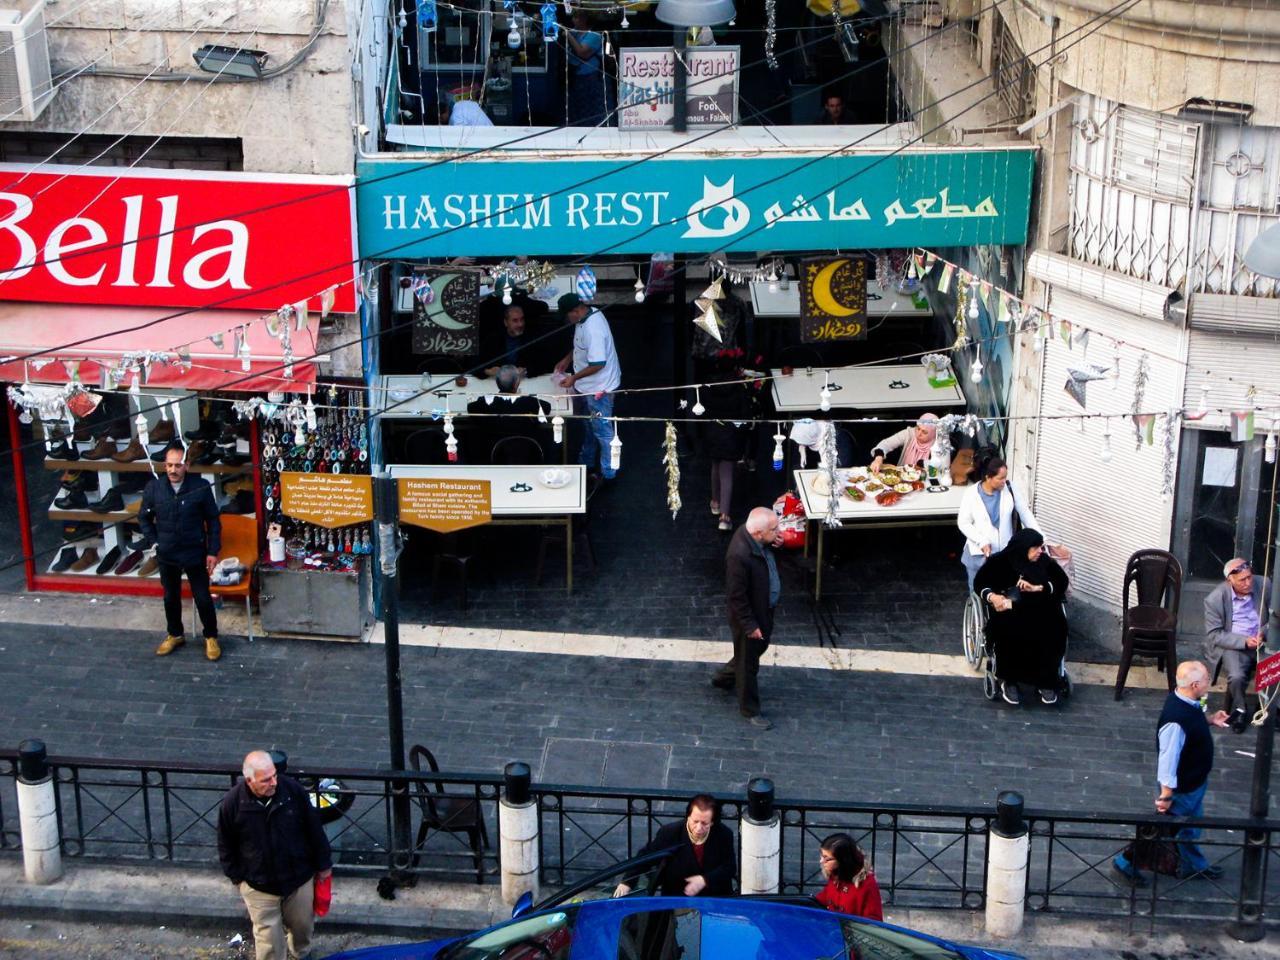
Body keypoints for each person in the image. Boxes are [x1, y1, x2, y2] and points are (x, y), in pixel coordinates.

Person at [1112, 661, 1230, 886]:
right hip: (1182, 790)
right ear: (1195, 684)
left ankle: (1194, 865)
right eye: (1206, 679)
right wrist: (1166, 794)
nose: (1209, 682)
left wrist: (1210, 720)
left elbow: (1192, 725)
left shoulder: (1186, 701)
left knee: (1189, 828)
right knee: (1160, 831)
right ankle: (1125, 862)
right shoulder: (1176, 719)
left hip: (1194, 783)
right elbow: (1168, 758)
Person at [217, 751, 333, 960]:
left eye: (274, 776)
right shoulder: (233, 803)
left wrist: (324, 866)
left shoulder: (293, 792)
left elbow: (314, 829)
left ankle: (301, 953)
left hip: (298, 879)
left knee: (302, 925)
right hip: (259, 884)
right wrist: (238, 878)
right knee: (268, 939)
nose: (273, 782)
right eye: (266, 779)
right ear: (250, 780)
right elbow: (226, 844)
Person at [139, 442, 222, 661]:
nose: (172, 470)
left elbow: (213, 520)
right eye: (168, 465)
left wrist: (212, 551)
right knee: (170, 597)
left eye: (177, 465)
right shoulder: (154, 488)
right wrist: (154, 541)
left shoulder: (201, 486)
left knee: (203, 597)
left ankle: (211, 636)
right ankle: (175, 634)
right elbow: (144, 518)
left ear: (187, 465)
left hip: (193, 551)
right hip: (167, 552)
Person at [973, 528, 1070, 706]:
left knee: (1054, 629)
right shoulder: (1000, 562)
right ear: (1023, 548)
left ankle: (1045, 681)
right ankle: (1009, 680)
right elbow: (980, 583)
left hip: (1041, 609)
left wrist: (1038, 588)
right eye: (1036, 548)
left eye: (1040, 547)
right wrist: (993, 597)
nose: (1040, 551)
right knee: (1010, 630)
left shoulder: (1044, 562)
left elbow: (1061, 582)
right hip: (1010, 610)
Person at [712, 507, 782, 730]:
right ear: (759, 533)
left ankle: (724, 677)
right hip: (750, 617)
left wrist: (775, 542)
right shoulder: (739, 555)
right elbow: (736, 597)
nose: (778, 531)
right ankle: (750, 709)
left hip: (762, 609)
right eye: (774, 529)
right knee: (748, 664)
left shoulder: (756, 539)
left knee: (751, 653)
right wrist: (750, 626)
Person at [554, 293, 621, 482]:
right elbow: (581, 347)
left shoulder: (593, 329)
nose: (567, 320)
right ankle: (587, 460)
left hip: (599, 388)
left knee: (602, 429)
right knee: (589, 425)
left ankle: (608, 472)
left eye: (567, 316)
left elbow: (598, 363)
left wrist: (573, 378)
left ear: (575, 311)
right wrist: (568, 359)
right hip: (587, 386)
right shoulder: (586, 315)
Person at [613, 795, 736, 898]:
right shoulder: (670, 833)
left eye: (705, 823)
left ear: (712, 822)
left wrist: (705, 880)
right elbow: (646, 856)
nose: (699, 828)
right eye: (695, 821)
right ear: (688, 817)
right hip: (678, 897)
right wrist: (627, 882)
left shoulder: (723, 834)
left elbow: (729, 867)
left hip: (713, 898)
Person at [956, 453, 1042, 592]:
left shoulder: (1010, 488)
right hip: (979, 555)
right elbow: (963, 523)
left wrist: (1041, 537)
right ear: (988, 478)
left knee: (1005, 588)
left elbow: (1025, 513)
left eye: (1005, 477)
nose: (1004, 481)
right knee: (979, 591)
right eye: (1000, 478)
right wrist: (981, 541)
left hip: (1004, 553)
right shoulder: (971, 494)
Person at [1204, 557, 1270, 733]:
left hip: (1262, 641)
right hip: (1235, 644)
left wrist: (1264, 631)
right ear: (1230, 580)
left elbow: (1275, 615)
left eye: (1249, 577)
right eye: (1242, 580)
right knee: (1237, 676)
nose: (1248, 583)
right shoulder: (1215, 599)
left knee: (1274, 667)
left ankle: (1265, 706)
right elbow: (1214, 634)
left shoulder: (1264, 584)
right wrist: (1244, 641)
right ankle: (1240, 709)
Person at [700, 360, 756, 532]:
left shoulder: (707, 387)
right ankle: (725, 517)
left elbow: (701, 411)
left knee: (715, 466)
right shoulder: (738, 388)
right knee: (727, 472)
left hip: (712, 432)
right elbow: (746, 414)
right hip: (731, 434)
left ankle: (715, 502)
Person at [816, 833, 883, 920]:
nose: (821, 861)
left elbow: (873, 921)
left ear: (842, 860)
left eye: (827, 858)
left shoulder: (866, 884)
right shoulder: (835, 875)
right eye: (821, 856)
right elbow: (822, 900)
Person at [562, 11, 610, 127]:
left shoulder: (594, 36)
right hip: (576, 77)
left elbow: (582, 52)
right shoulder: (576, 32)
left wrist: (568, 35)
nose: (573, 20)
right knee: (576, 110)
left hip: (591, 78)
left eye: (576, 18)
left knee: (591, 110)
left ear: (584, 20)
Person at [870, 413, 947, 474]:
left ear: (933, 433)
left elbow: (941, 467)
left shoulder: (940, 443)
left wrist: (923, 464)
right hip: (902, 478)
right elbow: (886, 444)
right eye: (918, 428)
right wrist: (878, 458)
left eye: (924, 432)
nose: (919, 433)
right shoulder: (909, 433)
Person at [480, 304, 536, 377]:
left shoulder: (531, 338)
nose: (520, 324)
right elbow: (474, 364)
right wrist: (488, 371)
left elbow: (542, 364)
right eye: (515, 321)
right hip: (495, 383)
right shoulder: (494, 339)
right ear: (506, 322)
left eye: (522, 319)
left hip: (524, 383)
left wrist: (526, 370)